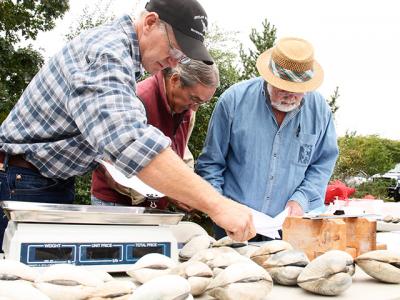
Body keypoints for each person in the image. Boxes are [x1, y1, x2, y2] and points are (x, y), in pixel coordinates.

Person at [0, 0, 256, 250]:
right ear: (150, 22)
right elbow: (129, 141)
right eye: (175, 51)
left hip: (48, 179)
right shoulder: (106, 53)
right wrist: (218, 205)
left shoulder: (123, 57)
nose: (174, 63)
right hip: (23, 180)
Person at [196, 37, 339, 240]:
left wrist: (302, 199)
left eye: (297, 91)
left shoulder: (320, 111)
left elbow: (323, 164)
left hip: (291, 227)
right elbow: (211, 163)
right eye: (283, 87)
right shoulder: (234, 100)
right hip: (234, 224)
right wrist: (220, 208)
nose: (290, 96)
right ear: (269, 78)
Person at [91, 60, 219, 210]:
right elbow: (116, 167)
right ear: (175, 80)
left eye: (202, 102)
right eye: (194, 99)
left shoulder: (187, 110)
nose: (195, 108)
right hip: (116, 203)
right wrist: (171, 191)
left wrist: (187, 191)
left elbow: (182, 152)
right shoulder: (136, 101)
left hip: (155, 206)